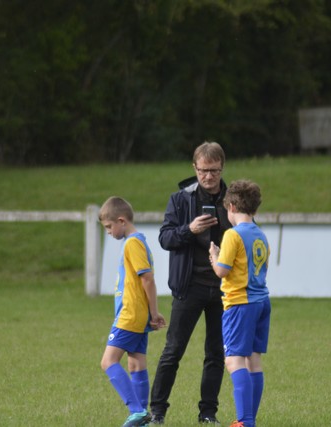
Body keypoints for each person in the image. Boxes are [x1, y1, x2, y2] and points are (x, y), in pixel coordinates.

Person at [150, 142, 231, 424]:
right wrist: (190, 229)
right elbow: (165, 238)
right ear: (194, 168)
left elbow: (247, 232)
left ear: (222, 168)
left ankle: (208, 414)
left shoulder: (233, 199)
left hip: (223, 288)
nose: (208, 176)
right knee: (173, 351)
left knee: (216, 354)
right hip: (189, 286)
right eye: (203, 170)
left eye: (214, 171)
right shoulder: (180, 200)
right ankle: (157, 412)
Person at [99, 196, 167, 427]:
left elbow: (148, 279)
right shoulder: (136, 242)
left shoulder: (133, 243)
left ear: (121, 221)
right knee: (136, 363)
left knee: (108, 361)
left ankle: (137, 411)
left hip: (130, 314)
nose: (108, 232)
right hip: (137, 314)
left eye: (109, 227)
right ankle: (143, 420)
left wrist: (154, 312)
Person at [208, 180, 271, 427]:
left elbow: (222, 271)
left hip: (240, 303)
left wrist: (214, 256)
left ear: (231, 207)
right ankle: (249, 420)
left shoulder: (232, 235)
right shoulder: (261, 235)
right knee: (253, 359)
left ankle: (244, 421)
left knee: (233, 360)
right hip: (261, 301)